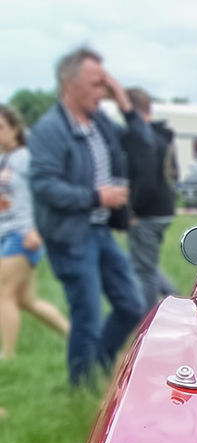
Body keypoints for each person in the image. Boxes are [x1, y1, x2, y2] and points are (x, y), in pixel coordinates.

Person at [28, 47, 149, 386]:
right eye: (96, 84)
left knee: (131, 305)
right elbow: (44, 185)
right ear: (70, 84)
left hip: (100, 231)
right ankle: (81, 386)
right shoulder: (50, 130)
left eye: (104, 84)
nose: (102, 91)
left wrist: (124, 100)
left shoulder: (99, 123)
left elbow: (141, 144)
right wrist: (97, 196)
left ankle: (97, 365)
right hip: (70, 234)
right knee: (87, 316)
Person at [0, 104, 70, 360]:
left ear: (16, 129)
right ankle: (74, 336)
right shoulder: (4, 160)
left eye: (1, 128)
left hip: (23, 235)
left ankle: (8, 354)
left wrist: (37, 229)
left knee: (4, 293)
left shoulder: (25, 158)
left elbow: (44, 194)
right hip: (7, 233)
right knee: (26, 300)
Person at [123, 87, 178, 307]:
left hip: (147, 212)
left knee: (143, 271)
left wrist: (133, 209)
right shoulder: (162, 137)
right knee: (147, 263)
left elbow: (145, 179)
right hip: (164, 209)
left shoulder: (143, 139)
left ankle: (146, 320)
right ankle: (174, 298)